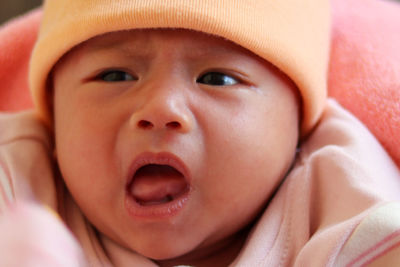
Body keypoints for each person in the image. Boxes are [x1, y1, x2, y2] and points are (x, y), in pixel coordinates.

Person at [1, 0, 400, 266]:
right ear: (53, 112)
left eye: (218, 78)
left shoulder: (334, 194)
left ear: (299, 122)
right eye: (115, 75)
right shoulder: (18, 176)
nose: (160, 108)